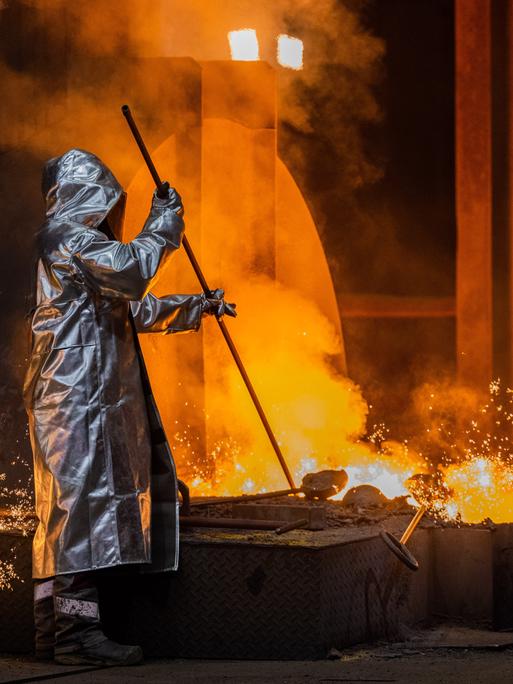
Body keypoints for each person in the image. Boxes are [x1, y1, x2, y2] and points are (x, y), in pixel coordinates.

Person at [23, 148, 235, 666]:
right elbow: (135, 270)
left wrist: (196, 306)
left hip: (77, 398)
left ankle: (53, 632)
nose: (110, 213)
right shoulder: (66, 238)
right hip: (75, 400)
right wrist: (164, 223)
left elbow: (132, 306)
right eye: (106, 201)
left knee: (68, 513)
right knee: (78, 515)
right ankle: (76, 636)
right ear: (86, 196)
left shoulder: (75, 246)